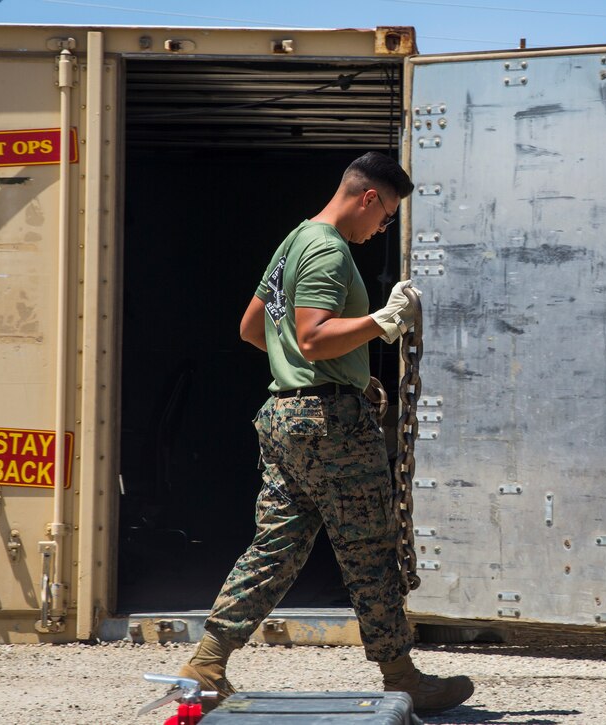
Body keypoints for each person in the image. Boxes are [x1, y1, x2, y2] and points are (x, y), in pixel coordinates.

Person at [177, 152, 474, 715]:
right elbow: (313, 337)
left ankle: (208, 662)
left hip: (287, 419)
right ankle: (403, 676)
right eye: (385, 217)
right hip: (329, 425)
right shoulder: (329, 252)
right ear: (368, 198)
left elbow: (252, 329)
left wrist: (325, 372)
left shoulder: (293, 242)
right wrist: (383, 322)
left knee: (276, 546)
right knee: (371, 551)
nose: (381, 229)